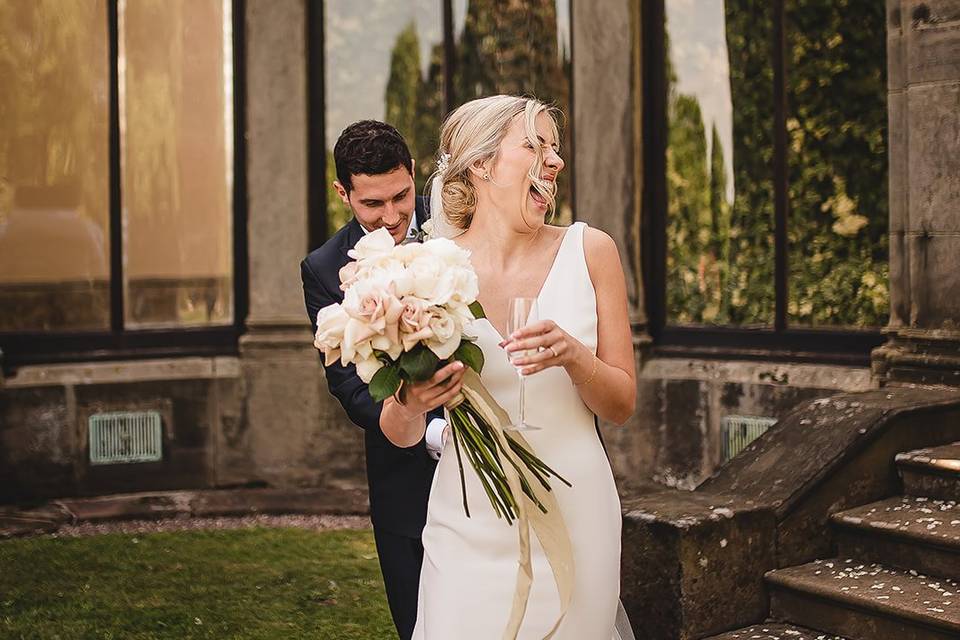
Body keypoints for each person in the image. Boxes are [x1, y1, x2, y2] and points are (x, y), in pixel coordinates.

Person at [377, 94, 637, 638]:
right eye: (535, 145)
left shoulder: (591, 252)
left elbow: (621, 405)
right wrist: (413, 401)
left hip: (575, 510)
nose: (555, 160)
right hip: (465, 517)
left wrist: (575, 358)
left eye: (556, 149)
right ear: (482, 164)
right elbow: (398, 433)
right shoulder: (427, 273)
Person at [300, 120, 462, 640]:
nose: (391, 217)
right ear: (343, 193)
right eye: (372, 204)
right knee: (420, 620)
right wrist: (427, 426)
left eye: (402, 195)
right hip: (404, 468)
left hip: (494, 438)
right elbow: (349, 388)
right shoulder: (324, 269)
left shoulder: (460, 226)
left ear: (414, 174)